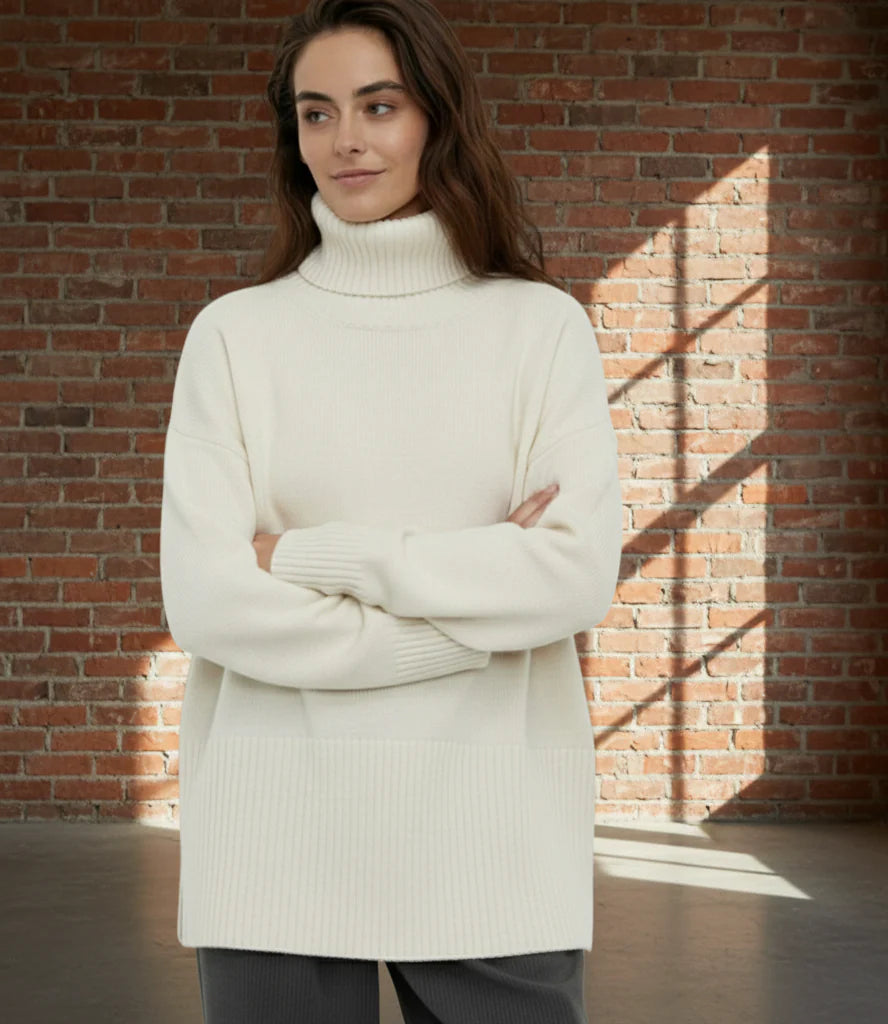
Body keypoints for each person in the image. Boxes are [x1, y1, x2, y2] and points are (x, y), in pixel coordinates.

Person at [158, 1, 623, 1021]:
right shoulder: (235, 338)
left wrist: (313, 555)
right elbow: (208, 603)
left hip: (491, 835)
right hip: (275, 834)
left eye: (379, 104)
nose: (347, 139)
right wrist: (466, 622)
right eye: (315, 113)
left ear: (436, 120)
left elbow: (573, 575)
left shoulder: (539, 330)